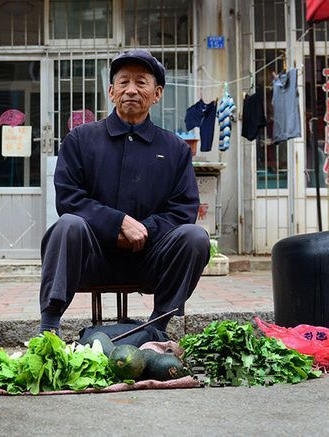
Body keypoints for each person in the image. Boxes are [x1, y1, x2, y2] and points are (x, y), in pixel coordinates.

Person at [39, 49, 210, 335]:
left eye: (141, 82)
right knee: (67, 225)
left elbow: (183, 209)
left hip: (151, 260)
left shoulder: (175, 149)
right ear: (111, 91)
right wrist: (117, 223)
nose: (131, 89)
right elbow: (69, 198)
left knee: (195, 237)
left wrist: (144, 230)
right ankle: (48, 328)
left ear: (157, 94)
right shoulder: (81, 140)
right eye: (123, 82)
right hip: (91, 258)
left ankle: (157, 327)